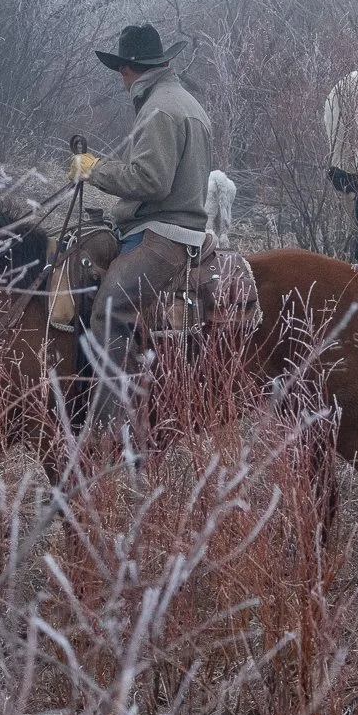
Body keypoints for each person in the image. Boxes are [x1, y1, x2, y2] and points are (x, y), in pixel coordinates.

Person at [67, 22, 215, 427]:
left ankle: (111, 426)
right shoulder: (183, 102)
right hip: (174, 228)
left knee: (111, 309)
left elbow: (150, 180)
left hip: (163, 234)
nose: (120, 80)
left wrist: (94, 169)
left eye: (120, 71)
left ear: (127, 69)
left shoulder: (159, 110)